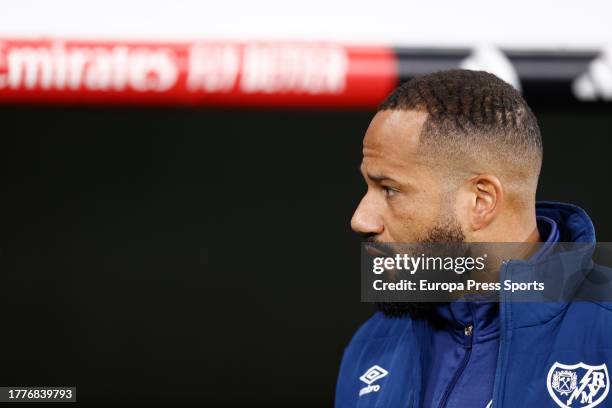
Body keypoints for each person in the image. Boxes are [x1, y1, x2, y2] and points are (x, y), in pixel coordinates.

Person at [335, 70, 612, 408]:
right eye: (369, 186)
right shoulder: (371, 345)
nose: (360, 219)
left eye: (390, 189)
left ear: (480, 201)